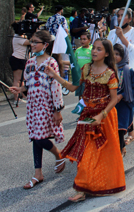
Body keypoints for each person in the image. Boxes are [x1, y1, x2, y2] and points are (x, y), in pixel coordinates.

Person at [45, 39, 125, 202]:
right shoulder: (86, 69)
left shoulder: (110, 74)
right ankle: (81, 189)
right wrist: (55, 76)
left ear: (107, 53)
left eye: (99, 49)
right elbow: (74, 87)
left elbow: (114, 100)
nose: (94, 51)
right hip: (87, 115)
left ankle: (102, 184)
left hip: (105, 117)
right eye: (93, 49)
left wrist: (100, 116)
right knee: (85, 151)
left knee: (104, 153)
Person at [9, 30, 65, 190]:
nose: (32, 44)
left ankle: (58, 154)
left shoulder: (51, 63)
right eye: (32, 41)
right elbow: (28, 84)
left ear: (45, 45)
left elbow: (56, 87)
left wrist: (57, 109)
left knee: (40, 138)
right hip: (33, 105)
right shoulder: (30, 62)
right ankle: (38, 173)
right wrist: (20, 90)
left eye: (35, 42)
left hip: (46, 105)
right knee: (35, 137)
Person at [108, 7, 134, 108]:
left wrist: (122, 37)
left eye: (123, 16)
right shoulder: (112, 33)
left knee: (126, 108)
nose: (120, 18)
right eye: (118, 15)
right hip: (113, 74)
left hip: (127, 73)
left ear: (129, 19)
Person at [113, 44, 134, 157]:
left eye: (117, 54)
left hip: (123, 104)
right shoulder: (108, 70)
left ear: (123, 56)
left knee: (120, 128)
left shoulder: (128, 71)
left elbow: (133, 89)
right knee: (114, 128)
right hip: (112, 104)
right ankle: (121, 147)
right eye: (113, 54)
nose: (115, 56)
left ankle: (120, 149)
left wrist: (122, 95)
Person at [9, 22, 30, 104]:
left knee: (22, 79)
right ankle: (16, 98)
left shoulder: (21, 37)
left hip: (22, 59)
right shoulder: (18, 38)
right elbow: (30, 42)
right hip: (17, 59)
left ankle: (23, 96)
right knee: (17, 80)